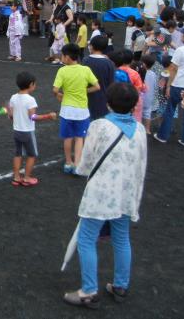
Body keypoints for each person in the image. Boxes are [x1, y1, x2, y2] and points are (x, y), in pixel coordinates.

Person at [63, 83, 147, 310]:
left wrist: (79, 170)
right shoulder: (139, 129)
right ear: (134, 104)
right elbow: (142, 164)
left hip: (101, 194)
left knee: (86, 239)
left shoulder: (100, 126)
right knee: (121, 238)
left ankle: (88, 291)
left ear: (108, 102)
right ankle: (121, 285)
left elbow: (87, 161)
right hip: (126, 193)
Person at [53, 43, 100, 174]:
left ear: (67, 57)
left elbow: (55, 89)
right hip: (82, 111)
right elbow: (97, 87)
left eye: (62, 55)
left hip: (67, 110)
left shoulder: (62, 71)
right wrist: (85, 90)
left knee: (68, 137)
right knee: (79, 137)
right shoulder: (86, 70)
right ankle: (77, 163)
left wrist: (59, 95)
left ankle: (68, 163)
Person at [8, 72, 57, 186]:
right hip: (27, 132)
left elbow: (11, 116)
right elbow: (33, 117)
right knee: (31, 155)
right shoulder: (30, 100)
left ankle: (16, 177)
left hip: (16, 131)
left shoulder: (13, 97)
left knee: (18, 154)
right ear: (31, 84)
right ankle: (26, 178)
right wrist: (48, 116)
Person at [154, 25, 184, 148]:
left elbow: (173, 69)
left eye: (183, 34)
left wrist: (168, 86)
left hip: (178, 85)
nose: (181, 35)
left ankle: (162, 136)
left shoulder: (181, 50)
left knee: (170, 109)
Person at [83, 35, 116, 120]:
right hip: (103, 98)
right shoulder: (109, 63)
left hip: (87, 96)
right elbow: (111, 83)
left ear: (91, 46)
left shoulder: (85, 61)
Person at [140, 54, 157, 133]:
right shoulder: (153, 74)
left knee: (138, 112)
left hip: (142, 96)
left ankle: (139, 127)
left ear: (144, 64)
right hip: (150, 96)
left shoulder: (141, 73)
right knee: (147, 113)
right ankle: (147, 129)